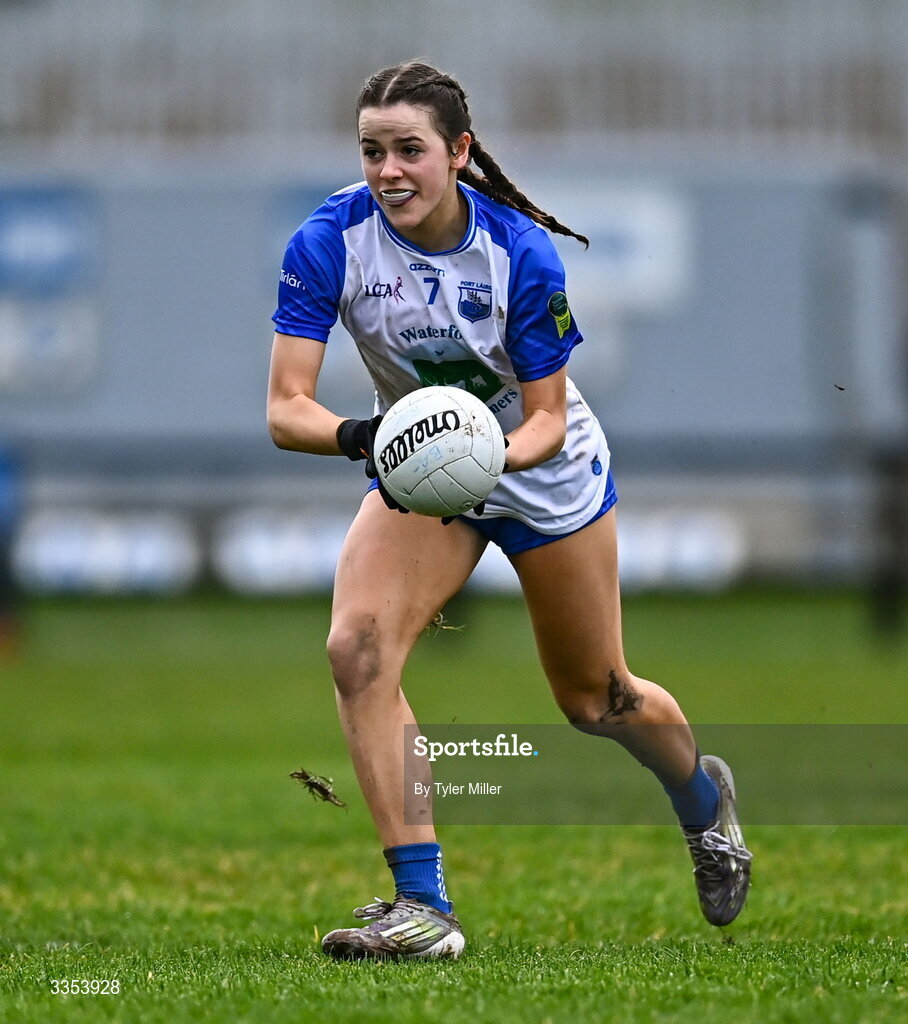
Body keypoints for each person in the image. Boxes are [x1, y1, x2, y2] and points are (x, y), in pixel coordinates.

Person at [267, 59, 751, 960]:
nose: (388, 172)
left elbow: (543, 421)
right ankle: (425, 908)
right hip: (418, 467)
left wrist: (471, 452)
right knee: (357, 650)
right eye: (372, 151)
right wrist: (372, 441)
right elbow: (286, 408)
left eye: (410, 150)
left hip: (541, 472)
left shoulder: (519, 253)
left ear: (459, 152)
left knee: (595, 699)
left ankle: (702, 800)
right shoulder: (330, 239)